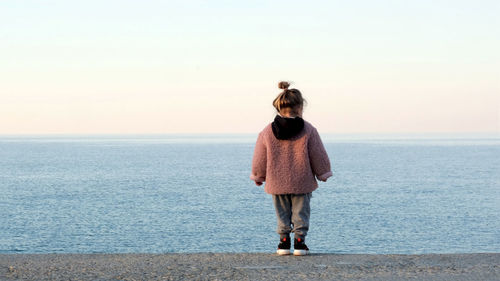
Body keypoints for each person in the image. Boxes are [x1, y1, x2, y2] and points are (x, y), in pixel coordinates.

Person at [250, 81, 333, 256]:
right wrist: (323, 172)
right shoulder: (308, 129)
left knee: (282, 213)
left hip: (277, 181)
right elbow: (317, 152)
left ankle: (283, 243)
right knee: (301, 211)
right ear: (301, 107)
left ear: (279, 108)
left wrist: (259, 175)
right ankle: (300, 243)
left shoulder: (267, 131)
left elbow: (260, 155)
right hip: (301, 180)